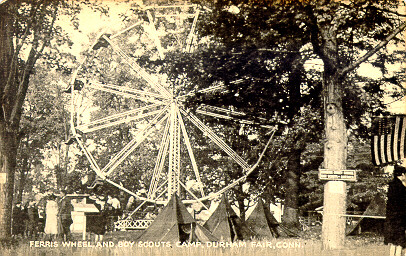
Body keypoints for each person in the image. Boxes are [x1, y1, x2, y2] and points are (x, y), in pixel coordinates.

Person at [384, 165, 406, 256]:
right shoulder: (401, 188)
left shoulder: (391, 185)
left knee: (393, 242)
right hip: (399, 219)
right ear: (402, 174)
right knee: (400, 243)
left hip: (391, 218)